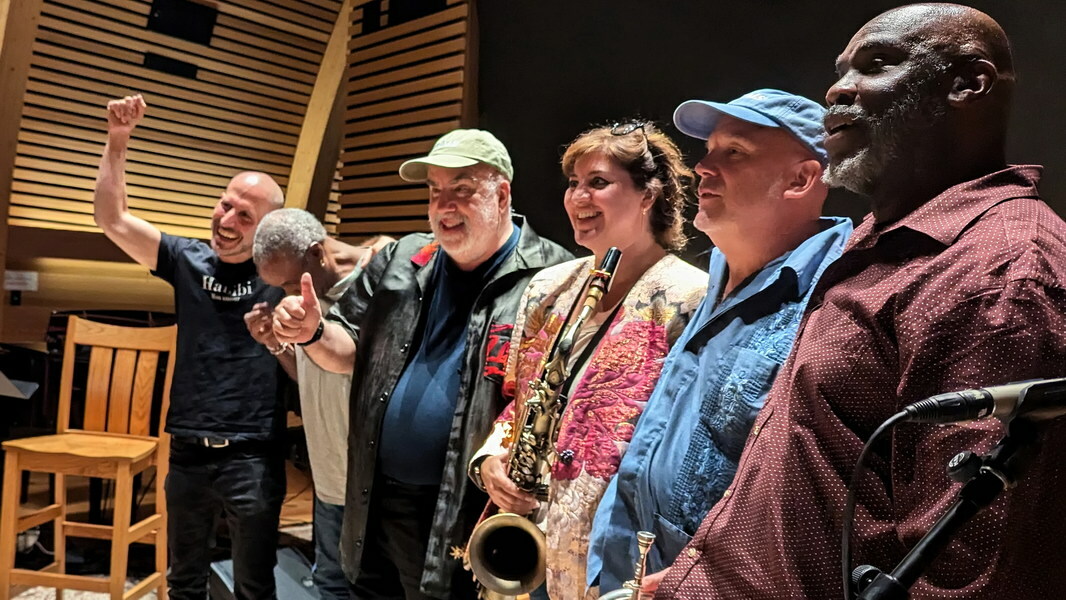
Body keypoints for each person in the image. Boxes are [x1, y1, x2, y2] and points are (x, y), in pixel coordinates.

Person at [655, 5, 1066, 599]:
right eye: (841, 70)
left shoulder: (1001, 274)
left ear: (968, 85)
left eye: (876, 64)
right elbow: (821, 476)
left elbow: (968, 576)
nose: (838, 89)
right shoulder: (881, 243)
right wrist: (697, 577)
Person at [271, 129, 572, 600]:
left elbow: (564, 399)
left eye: (462, 190)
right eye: (434, 191)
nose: (443, 206)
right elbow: (346, 349)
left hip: (465, 512)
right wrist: (311, 330)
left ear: (502, 194)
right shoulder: (401, 257)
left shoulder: (555, 274)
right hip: (374, 497)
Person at [587, 90, 853, 596]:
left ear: (800, 180)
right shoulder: (720, 272)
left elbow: (815, 500)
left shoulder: (837, 298)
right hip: (632, 573)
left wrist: (704, 580)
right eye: (709, 149)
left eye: (735, 152)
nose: (701, 167)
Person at [469, 122, 708, 599]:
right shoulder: (547, 287)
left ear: (648, 195)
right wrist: (490, 459)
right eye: (574, 183)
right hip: (529, 535)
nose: (578, 196)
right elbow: (522, 401)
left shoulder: (691, 299)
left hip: (612, 551)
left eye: (598, 182)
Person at [93, 94, 288, 599]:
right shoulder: (187, 258)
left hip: (253, 453)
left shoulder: (283, 274)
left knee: (254, 586)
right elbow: (112, 218)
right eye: (225, 204)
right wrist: (118, 140)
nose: (227, 219)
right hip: (186, 450)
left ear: (266, 228)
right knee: (183, 584)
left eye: (245, 216)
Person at [244, 208, 394, 600]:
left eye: (290, 283)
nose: (288, 295)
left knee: (377, 590)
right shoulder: (310, 293)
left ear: (316, 253)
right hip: (328, 477)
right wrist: (275, 344)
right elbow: (311, 376)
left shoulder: (384, 279)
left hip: (375, 484)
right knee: (330, 584)